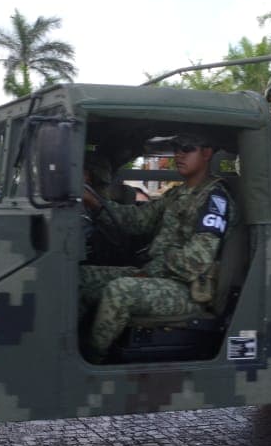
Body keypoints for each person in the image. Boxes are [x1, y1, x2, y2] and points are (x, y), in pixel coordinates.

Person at [79, 132, 235, 363]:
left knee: (120, 291)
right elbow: (138, 221)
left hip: (189, 290)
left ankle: (91, 362)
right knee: (79, 278)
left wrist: (152, 270)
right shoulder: (177, 193)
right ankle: (65, 347)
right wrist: (96, 204)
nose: (179, 154)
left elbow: (196, 262)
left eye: (187, 147)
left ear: (207, 153)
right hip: (159, 275)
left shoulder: (215, 199)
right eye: (176, 147)